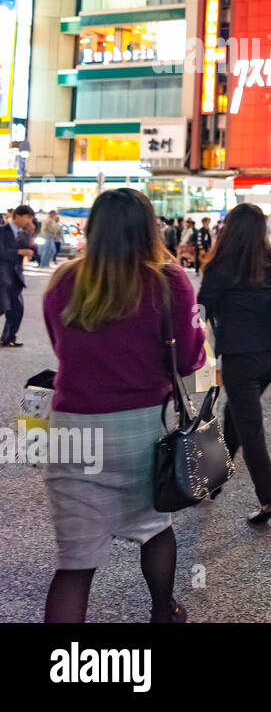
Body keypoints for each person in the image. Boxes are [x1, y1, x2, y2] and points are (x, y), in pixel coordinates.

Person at [41, 188, 204, 622]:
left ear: (93, 230)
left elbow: (62, 349)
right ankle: (162, 612)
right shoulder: (168, 282)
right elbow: (189, 359)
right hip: (140, 428)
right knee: (154, 526)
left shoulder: (63, 282)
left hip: (72, 429)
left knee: (74, 564)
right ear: (148, 229)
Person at [197, 203, 271, 526]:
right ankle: (213, 480)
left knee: (251, 431)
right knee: (235, 414)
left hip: (240, 358)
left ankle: (270, 501)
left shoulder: (220, 267)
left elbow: (201, 310)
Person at [1, 204, 35, 347]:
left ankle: (9, 337)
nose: (29, 221)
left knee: (17, 309)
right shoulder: (2, 231)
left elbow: (33, 253)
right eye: (27, 217)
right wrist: (18, 252)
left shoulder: (24, 234)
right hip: (2, 276)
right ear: (18, 216)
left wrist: (32, 233)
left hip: (16, 277)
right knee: (2, 306)